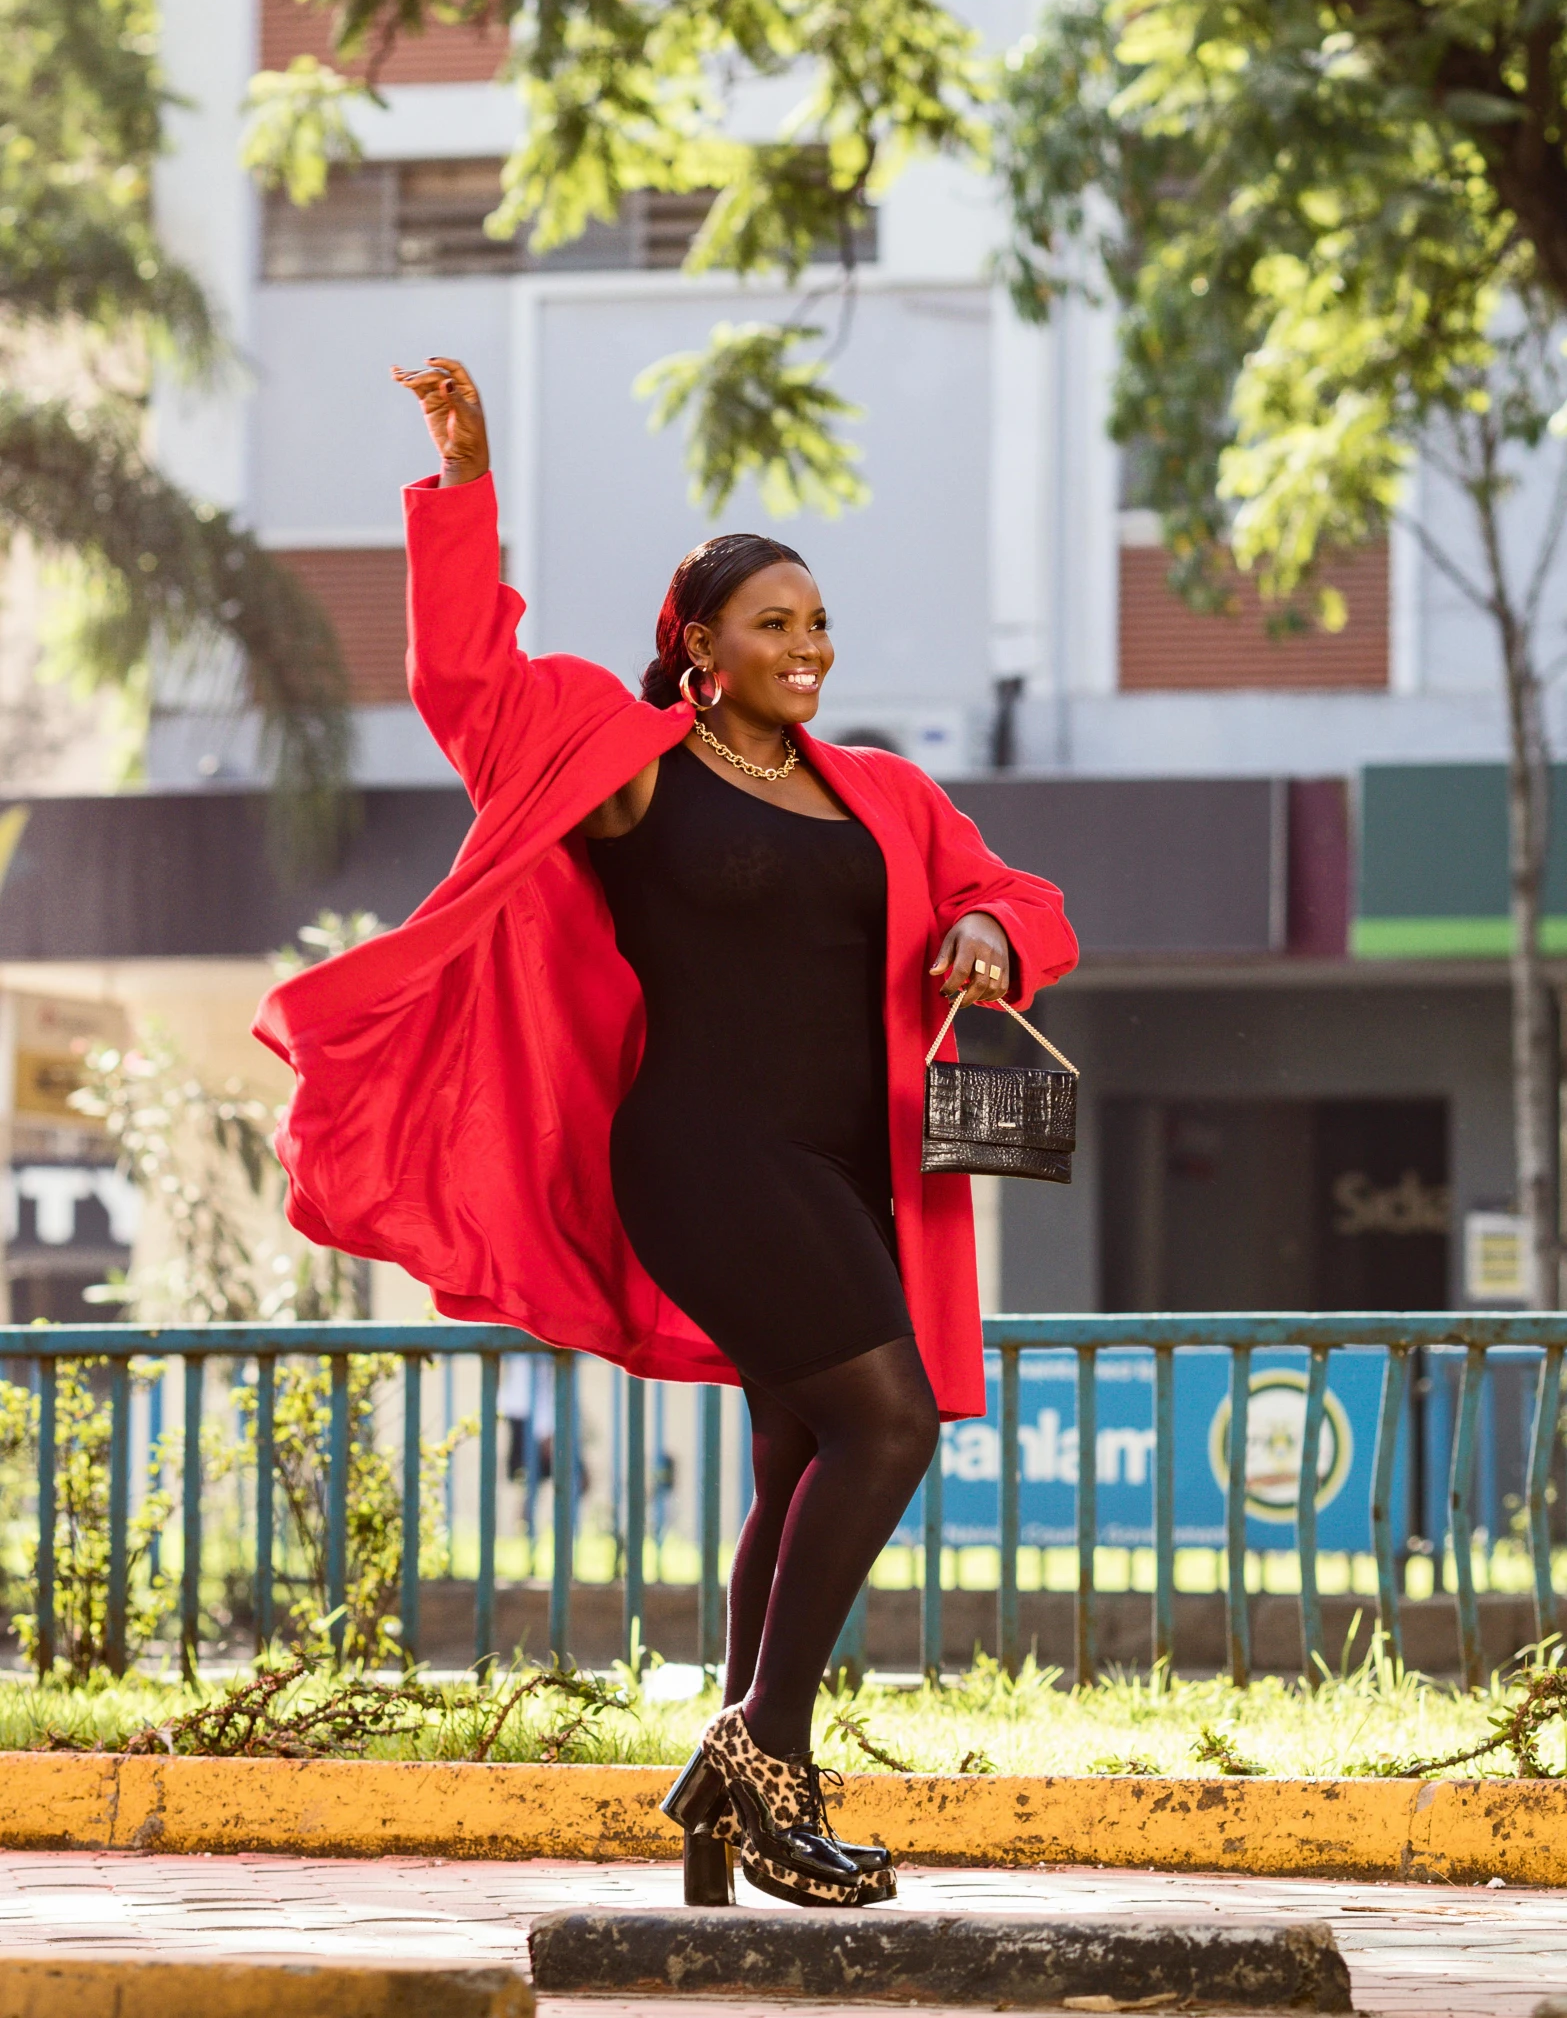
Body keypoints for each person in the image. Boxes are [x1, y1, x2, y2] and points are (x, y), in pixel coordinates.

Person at [254, 356, 1077, 1909]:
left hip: (853, 1163)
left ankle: (723, 1792)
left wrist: (986, 935)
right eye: (773, 623)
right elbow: (468, 688)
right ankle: (766, 1758)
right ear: (697, 647)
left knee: (800, 1450)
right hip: (702, 1150)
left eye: (818, 622)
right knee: (886, 1425)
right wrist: (461, 486)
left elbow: (1021, 896)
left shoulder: (885, 792)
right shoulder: (624, 774)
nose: (806, 648)